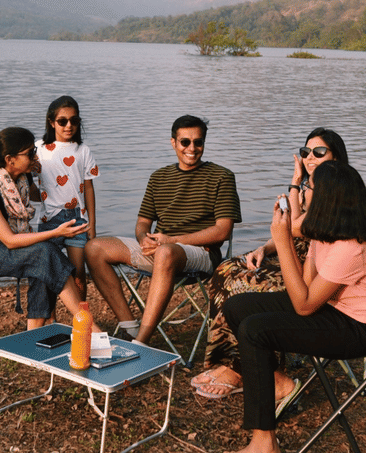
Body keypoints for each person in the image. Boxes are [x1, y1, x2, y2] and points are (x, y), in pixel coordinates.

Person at [223, 161, 366, 453]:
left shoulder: (351, 247)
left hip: (361, 328)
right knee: (238, 307)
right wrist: (285, 238)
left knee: (255, 330)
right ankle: (277, 383)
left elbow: (303, 305)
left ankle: (264, 442)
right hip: (330, 309)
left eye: (306, 187)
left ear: (324, 197)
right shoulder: (325, 233)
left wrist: (283, 241)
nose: (301, 192)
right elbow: (302, 287)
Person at [192, 128, 349, 399]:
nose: (310, 157)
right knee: (226, 270)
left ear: (335, 157)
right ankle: (227, 361)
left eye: (319, 152)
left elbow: (295, 229)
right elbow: (289, 232)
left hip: (315, 270)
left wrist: (296, 192)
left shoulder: (338, 192)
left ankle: (248, 369)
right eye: (306, 152)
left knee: (246, 285)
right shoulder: (307, 188)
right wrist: (263, 247)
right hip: (289, 255)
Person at [85, 115, 242, 346]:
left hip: (201, 254)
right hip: (160, 249)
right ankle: (130, 327)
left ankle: (142, 342)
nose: (192, 148)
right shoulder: (159, 177)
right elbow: (142, 223)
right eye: (185, 142)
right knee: (94, 248)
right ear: (173, 142)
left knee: (166, 252)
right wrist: (143, 239)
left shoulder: (222, 177)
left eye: (198, 142)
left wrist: (172, 240)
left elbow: (222, 231)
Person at [0, 126, 98, 330]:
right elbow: (9, 240)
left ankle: (35, 330)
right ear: (10, 159)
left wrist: (65, 183)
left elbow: (45, 195)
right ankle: (87, 325)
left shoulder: (23, 179)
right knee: (44, 252)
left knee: (44, 258)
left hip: (13, 245)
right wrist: (56, 232)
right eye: (30, 153)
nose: (35, 155)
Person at [34, 96, 99, 300]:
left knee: (78, 273)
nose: (68, 125)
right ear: (52, 122)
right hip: (49, 219)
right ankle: (51, 319)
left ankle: (81, 322)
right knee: (49, 273)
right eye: (62, 121)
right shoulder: (38, 149)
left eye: (74, 120)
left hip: (77, 218)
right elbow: (29, 187)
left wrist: (93, 224)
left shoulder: (83, 150)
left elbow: (89, 188)